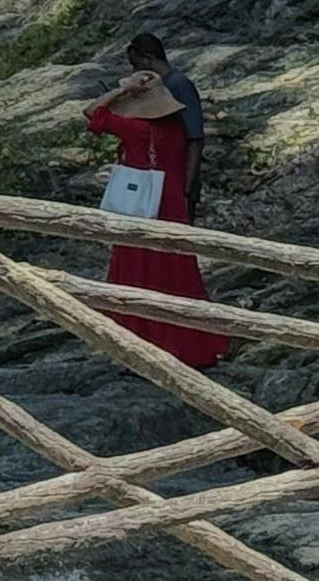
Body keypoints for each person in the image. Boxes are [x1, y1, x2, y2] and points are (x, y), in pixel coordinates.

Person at [85, 66, 230, 369]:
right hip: (171, 204)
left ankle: (141, 342)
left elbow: (92, 112)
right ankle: (194, 343)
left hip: (142, 208)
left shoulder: (136, 130)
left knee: (138, 272)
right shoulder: (175, 132)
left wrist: (123, 91)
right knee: (176, 274)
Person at [128, 33, 207, 217]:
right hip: (160, 180)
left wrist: (186, 188)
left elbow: (195, 138)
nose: (134, 71)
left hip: (179, 182)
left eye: (136, 64)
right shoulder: (160, 87)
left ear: (149, 59)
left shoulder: (179, 85)